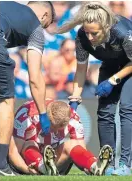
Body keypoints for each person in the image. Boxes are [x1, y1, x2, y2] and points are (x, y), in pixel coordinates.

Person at [53, 1, 132, 176]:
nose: (89, 37)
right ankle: (108, 163)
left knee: (126, 109)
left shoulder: (122, 33)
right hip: (110, 66)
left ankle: (126, 163)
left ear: (105, 27)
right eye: (87, 32)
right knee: (104, 112)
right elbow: (81, 68)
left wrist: (113, 80)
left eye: (94, 33)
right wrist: (75, 97)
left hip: (130, 66)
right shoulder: (82, 36)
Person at [0, 1, 55, 175]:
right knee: (5, 102)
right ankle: (0, 164)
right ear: (44, 16)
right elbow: (35, 76)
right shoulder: (36, 27)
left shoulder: (5, 4)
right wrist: (43, 113)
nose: (43, 29)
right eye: (47, 25)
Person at [8, 99, 113, 176]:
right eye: (53, 127)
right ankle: (43, 167)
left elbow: (80, 148)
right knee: (30, 143)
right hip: (28, 163)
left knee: (72, 143)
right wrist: (27, 170)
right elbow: (13, 152)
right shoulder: (26, 116)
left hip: (54, 162)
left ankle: (95, 166)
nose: (56, 132)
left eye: (60, 128)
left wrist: (85, 165)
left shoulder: (73, 118)